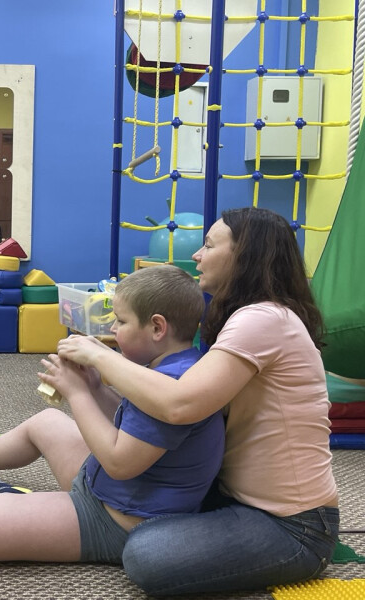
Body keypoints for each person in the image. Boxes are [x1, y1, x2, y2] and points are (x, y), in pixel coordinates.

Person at [58, 207, 339, 595]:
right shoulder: (253, 318)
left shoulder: (264, 319)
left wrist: (99, 357)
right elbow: (167, 403)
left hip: (293, 527)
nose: (197, 254)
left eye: (208, 245)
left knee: (146, 554)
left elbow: (179, 404)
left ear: (244, 256)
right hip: (234, 499)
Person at [0, 265, 224, 565]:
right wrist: (95, 387)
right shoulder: (172, 366)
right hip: (102, 483)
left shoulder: (172, 382)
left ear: (157, 328)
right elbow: (128, 421)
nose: (113, 329)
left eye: (121, 321)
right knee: (46, 422)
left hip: (118, 519)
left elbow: (119, 463)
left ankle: (22, 504)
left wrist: (77, 394)